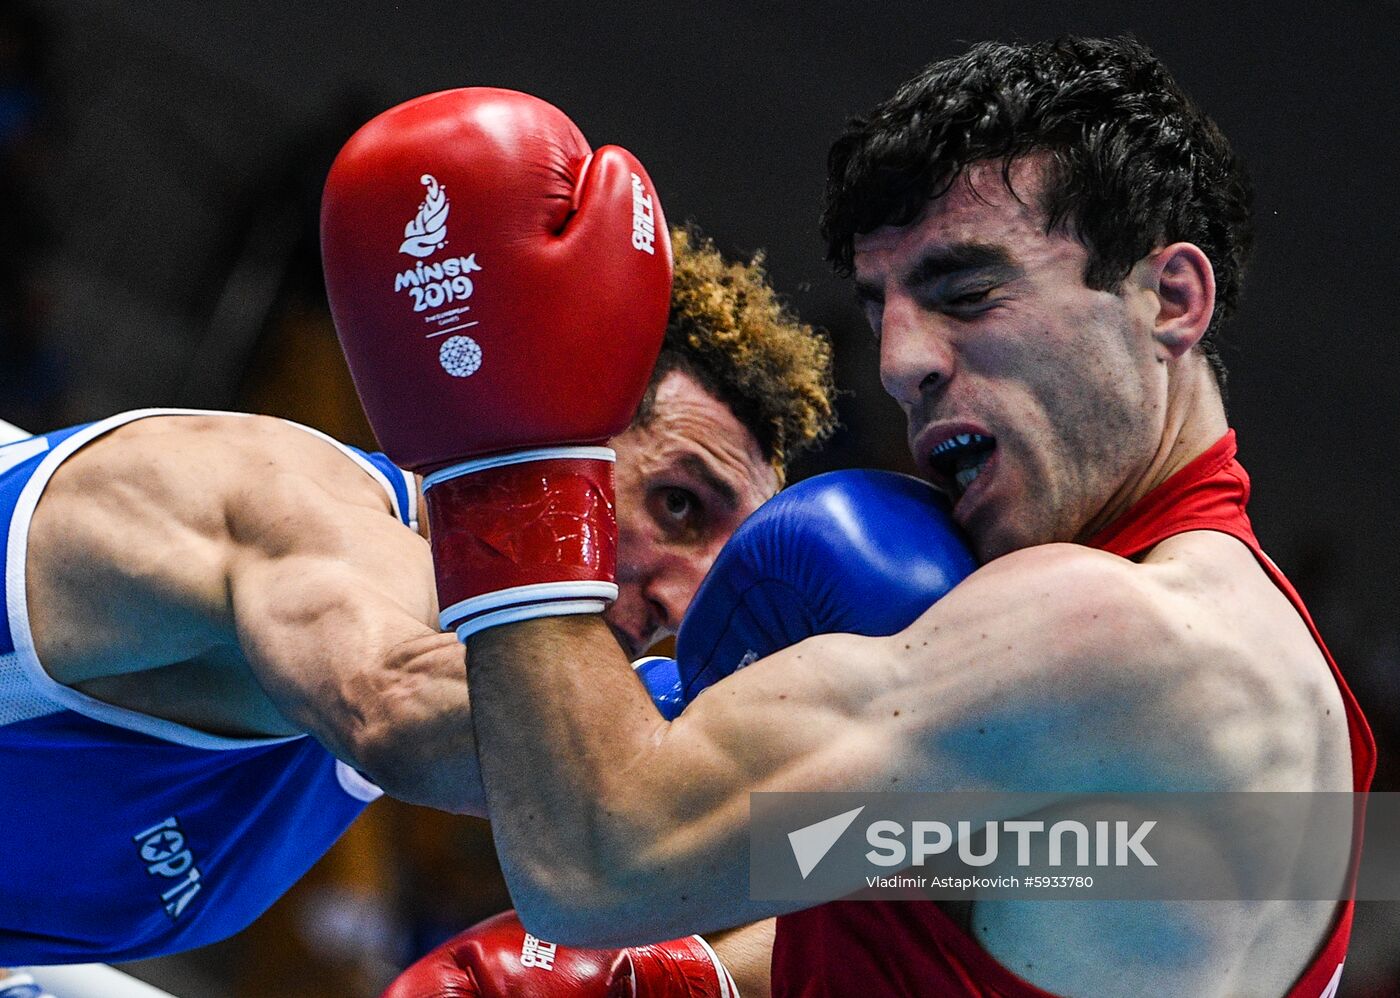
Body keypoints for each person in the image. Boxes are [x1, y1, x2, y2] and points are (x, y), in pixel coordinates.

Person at [376, 38, 1374, 998]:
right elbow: (1009, 918)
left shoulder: (1108, 634)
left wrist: (511, 453)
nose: (900, 361)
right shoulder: (1286, 687)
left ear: (1169, 297)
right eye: (878, 308)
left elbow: (594, 857)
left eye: (966, 290)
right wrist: (703, 978)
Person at [0, 210, 836, 971]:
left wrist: (933, 836)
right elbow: (399, 706)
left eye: (722, 568)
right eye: (678, 504)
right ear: (553, 422)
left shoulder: (498, 694)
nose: (686, 604)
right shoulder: (273, 497)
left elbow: (653, 819)